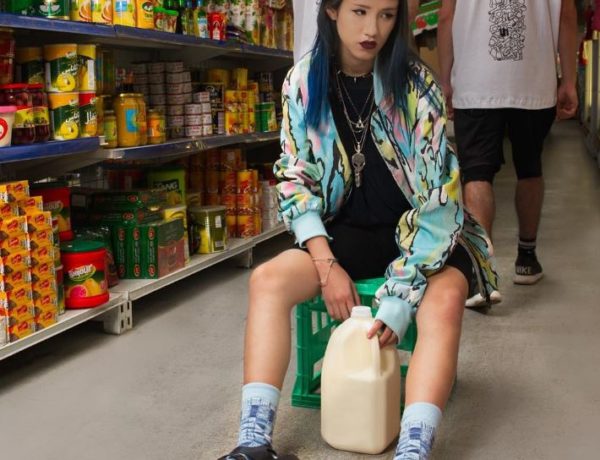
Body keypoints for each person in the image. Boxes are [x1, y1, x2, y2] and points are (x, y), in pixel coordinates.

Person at [219, 1, 498, 459]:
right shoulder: (303, 82)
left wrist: (402, 295)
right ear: (331, 10)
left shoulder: (417, 86)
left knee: (446, 298)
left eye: (386, 15)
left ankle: (412, 450)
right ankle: (253, 444)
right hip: (344, 231)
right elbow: (294, 179)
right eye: (360, 11)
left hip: (427, 236)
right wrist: (325, 263)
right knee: (267, 280)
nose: (373, 29)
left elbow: (439, 200)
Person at [437, 0, 578, 300]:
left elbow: (447, 14)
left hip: (476, 80)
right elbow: (566, 15)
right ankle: (527, 259)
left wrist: (445, 80)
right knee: (530, 167)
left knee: (477, 173)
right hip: (533, 80)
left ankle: (481, 274)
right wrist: (568, 80)